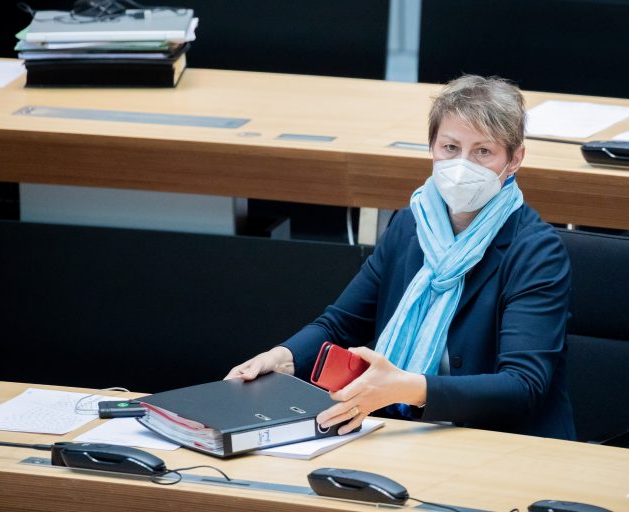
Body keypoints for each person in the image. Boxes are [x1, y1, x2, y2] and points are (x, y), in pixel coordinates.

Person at [227, 75, 576, 441]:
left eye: (483, 152)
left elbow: (522, 386)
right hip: (402, 431)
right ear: (431, 148)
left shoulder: (536, 251)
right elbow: (340, 324)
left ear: (515, 159)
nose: (462, 166)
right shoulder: (410, 224)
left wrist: (408, 388)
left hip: (500, 442)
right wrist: (282, 358)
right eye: (450, 148)